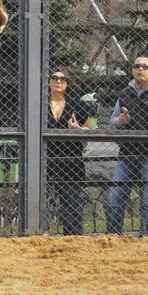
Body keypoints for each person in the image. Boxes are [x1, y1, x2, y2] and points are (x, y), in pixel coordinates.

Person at [106, 56, 148, 236]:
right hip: (126, 153)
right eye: (137, 66)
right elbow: (112, 121)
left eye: (145, 66)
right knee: (115, 198)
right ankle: (114, 238)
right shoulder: (125, 93)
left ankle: (146, 239)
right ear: (132, 70)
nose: (141, 69)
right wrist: (120, 120)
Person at [47, 68, 89, 235]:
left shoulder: (78, 104)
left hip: (71, 161)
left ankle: (74, 238)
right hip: (45, 160)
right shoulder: (39, 103)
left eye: (62, 79)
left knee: (72, 206)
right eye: (55, 78)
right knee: (43, 204)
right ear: (49, 82)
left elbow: (92, 128)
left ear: (67, 84)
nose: (58, 81)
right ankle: (41, 237)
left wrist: (78, 129)